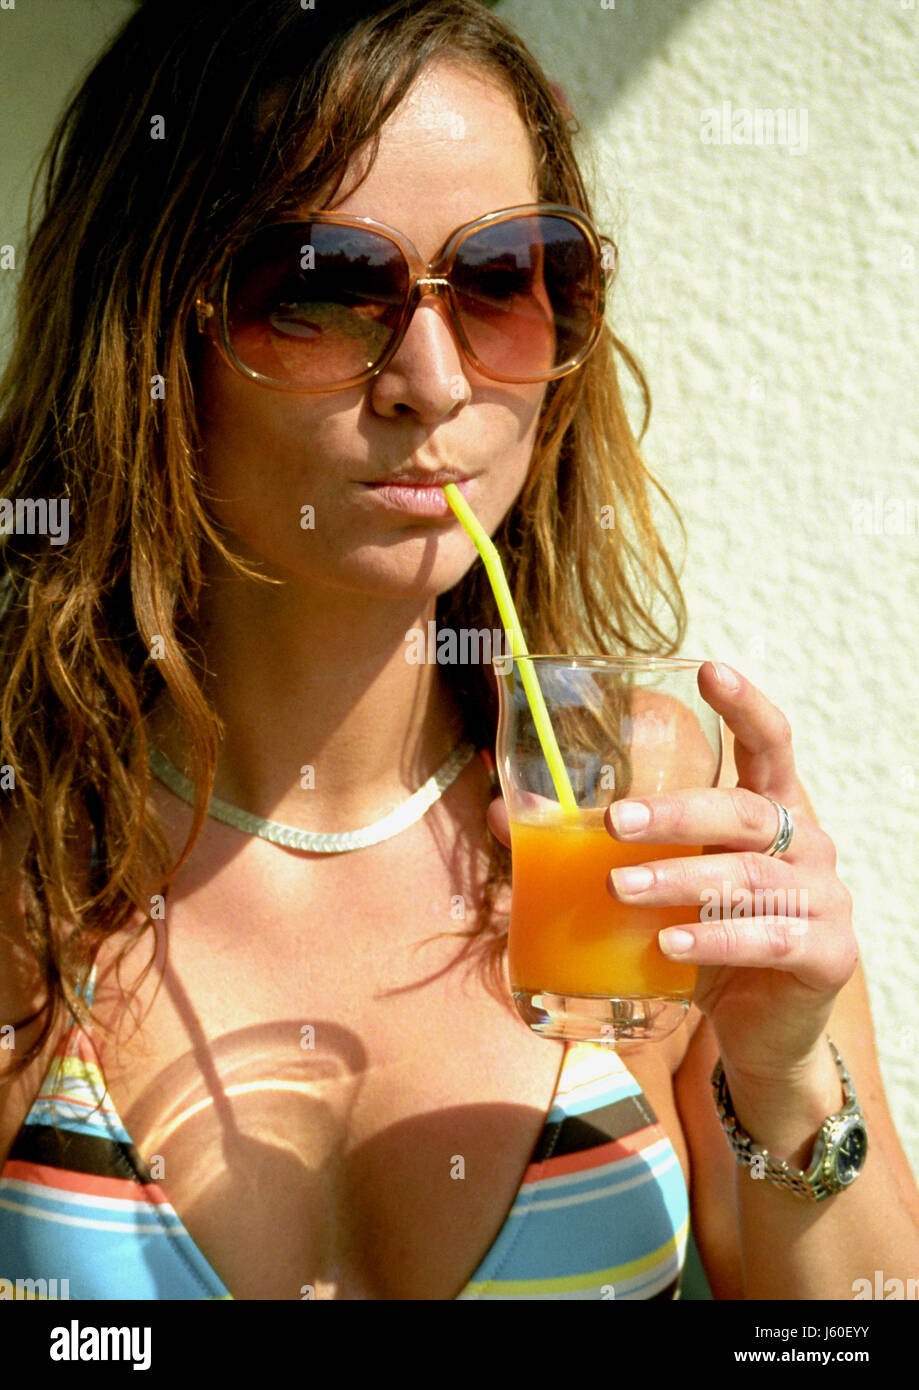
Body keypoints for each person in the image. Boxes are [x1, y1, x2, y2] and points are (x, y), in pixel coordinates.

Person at [0, 0, 917, 1302]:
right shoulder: (27, 830)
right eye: (322, 288)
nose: (430, 380)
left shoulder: (642, 799)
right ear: (145, 332)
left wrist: (783, 1076)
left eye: (502, 282)